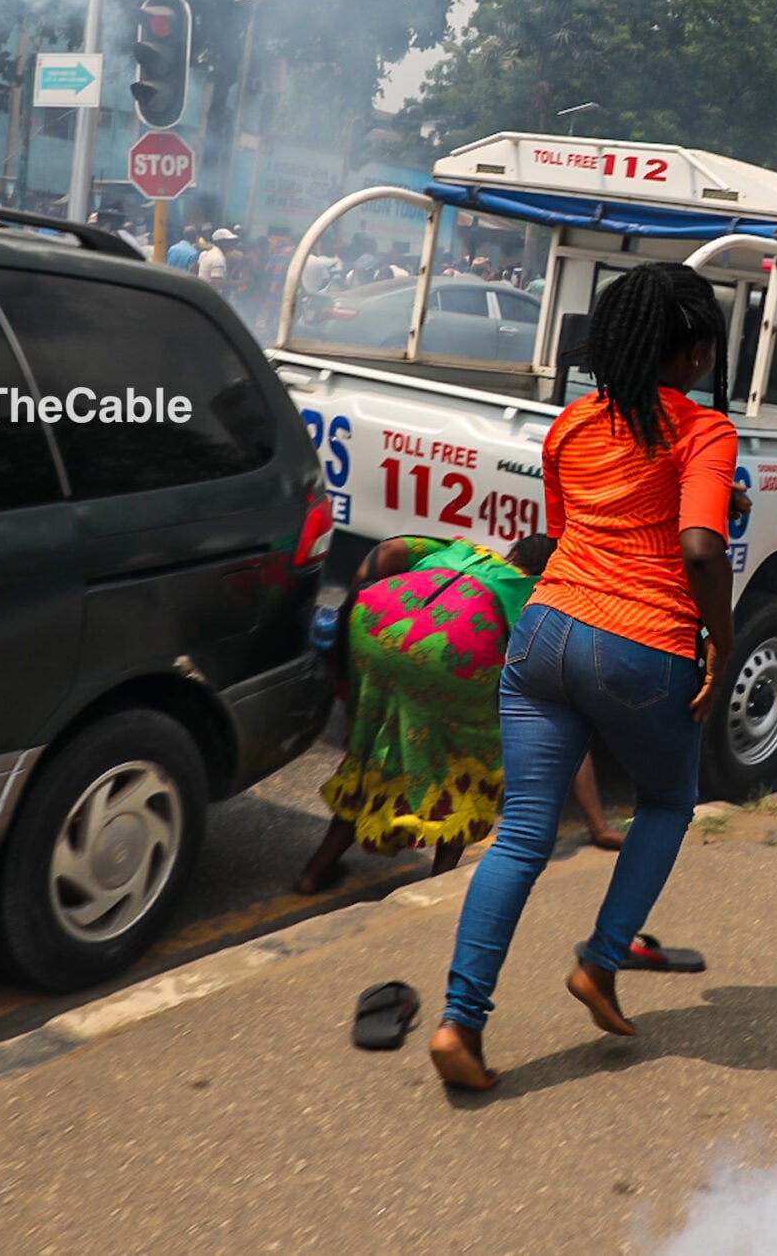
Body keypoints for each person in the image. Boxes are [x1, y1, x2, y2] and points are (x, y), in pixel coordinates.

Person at [431, 263, 739, 1092]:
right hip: (641, 644)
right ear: (698, 350)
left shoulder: (571, 423)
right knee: (669, 802)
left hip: (543, 635)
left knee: (523, 834)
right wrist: (723, 638)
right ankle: (601, 961)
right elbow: (701, 547)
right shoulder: (704, 431)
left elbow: (571, 531)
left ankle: (460, 1022)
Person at [300, 533, 552, 895]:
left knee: (372, 755)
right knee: (469, 764)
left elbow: (389, 550)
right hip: (450, 652)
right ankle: (439, 883)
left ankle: (315, 872)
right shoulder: (535, 594)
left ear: (511, 551)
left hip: (376, 624)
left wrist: (350, 602)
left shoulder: (463, 549)